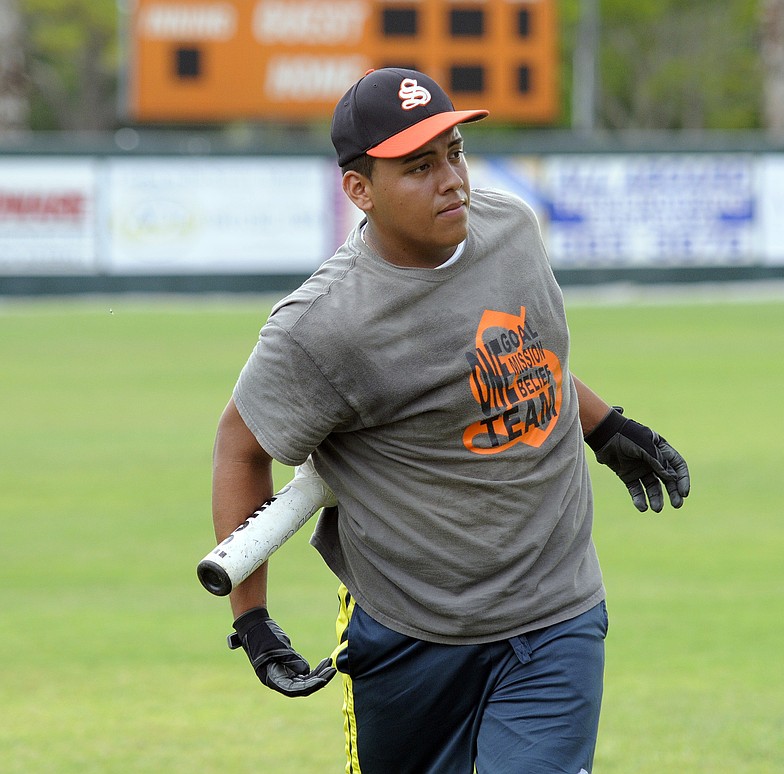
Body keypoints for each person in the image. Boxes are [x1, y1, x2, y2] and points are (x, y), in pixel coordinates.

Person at [211, 67, 690, 774]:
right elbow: (240, 446)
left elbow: (529, 356)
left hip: (555, 610)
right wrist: (251, 620)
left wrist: (605, 427)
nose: (452, 180)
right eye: (419, 166)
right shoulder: (323, 328)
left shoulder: (513, 232)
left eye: (456, 153)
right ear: (359, 190)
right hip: (411, 633)